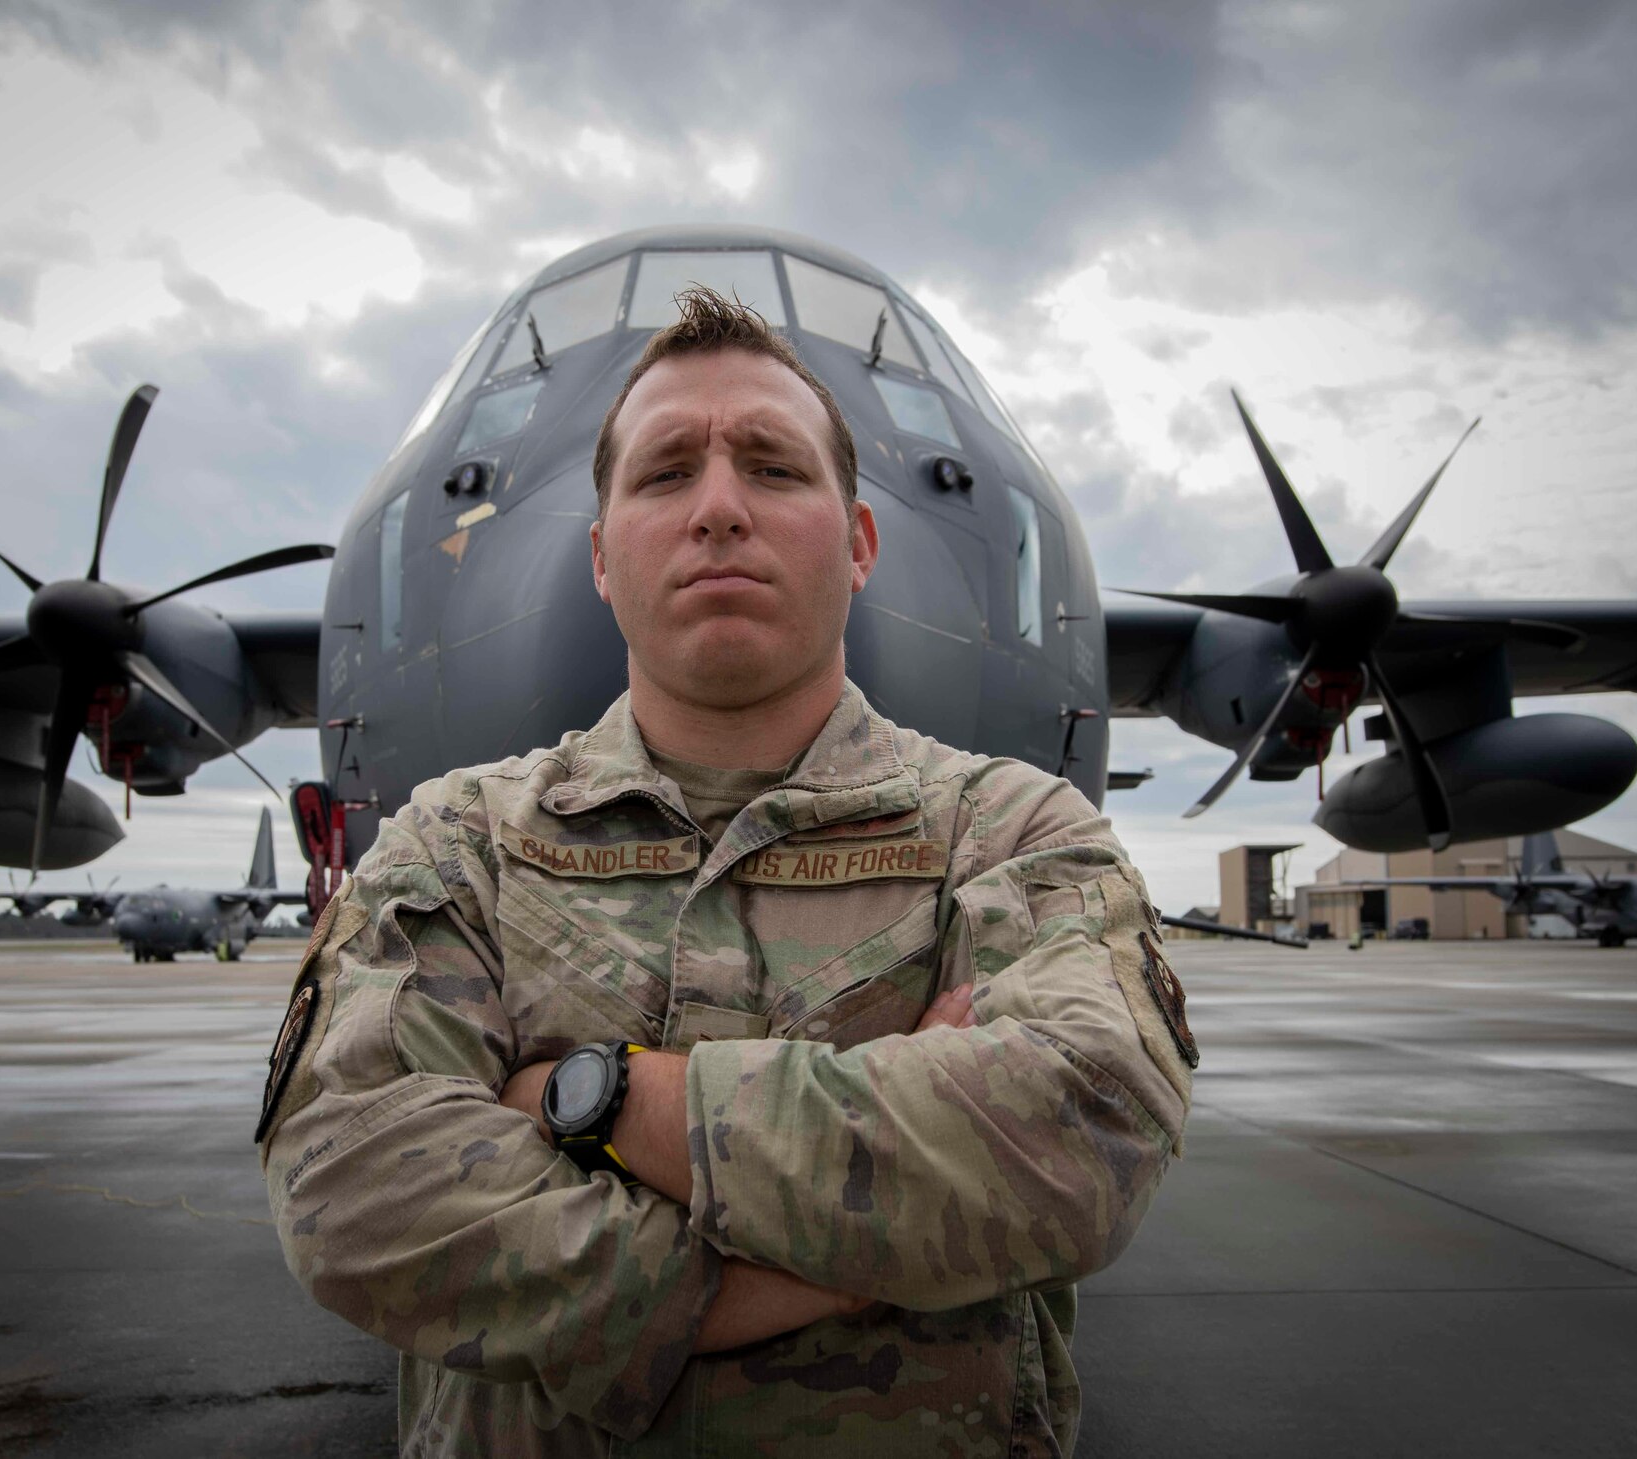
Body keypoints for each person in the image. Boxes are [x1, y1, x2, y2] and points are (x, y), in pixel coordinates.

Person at [259, 288, 1194, 1456]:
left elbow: (1079, 1137)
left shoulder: (1014, 832)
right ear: (601, 558)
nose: (716, 509)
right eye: (662, 476)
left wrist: (581, 1098)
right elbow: (353, 1189)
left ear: (858, 542)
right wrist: (859, 1261)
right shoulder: (453, 843)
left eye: (772, 467)